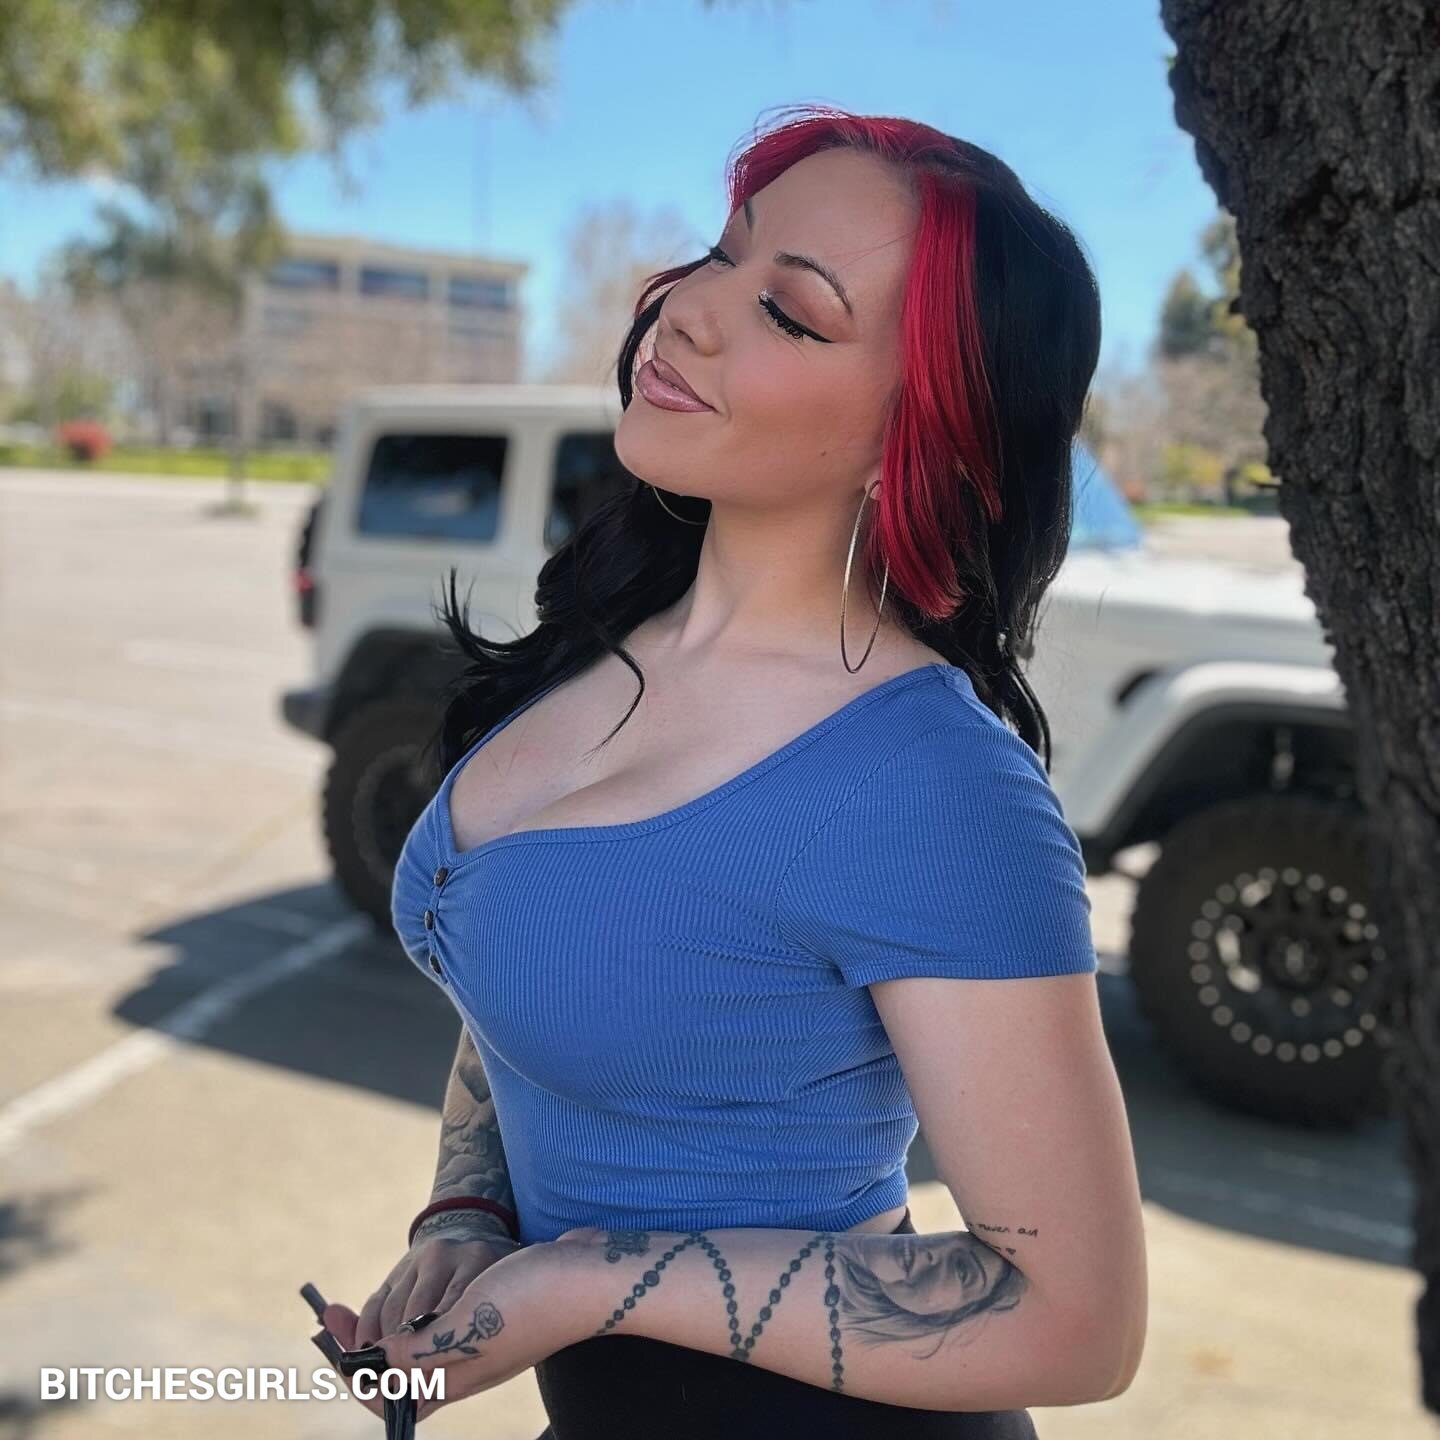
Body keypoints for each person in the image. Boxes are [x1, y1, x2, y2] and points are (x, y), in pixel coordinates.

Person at [323, 104, 1147, 1437]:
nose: (691, 310)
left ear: (921, 435)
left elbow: (1076, 1319)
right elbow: (531, 970)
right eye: (723, 251)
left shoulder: (934, 787)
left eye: (791, 313)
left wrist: (584, 1282)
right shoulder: (602, 638)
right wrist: (470, 1210)